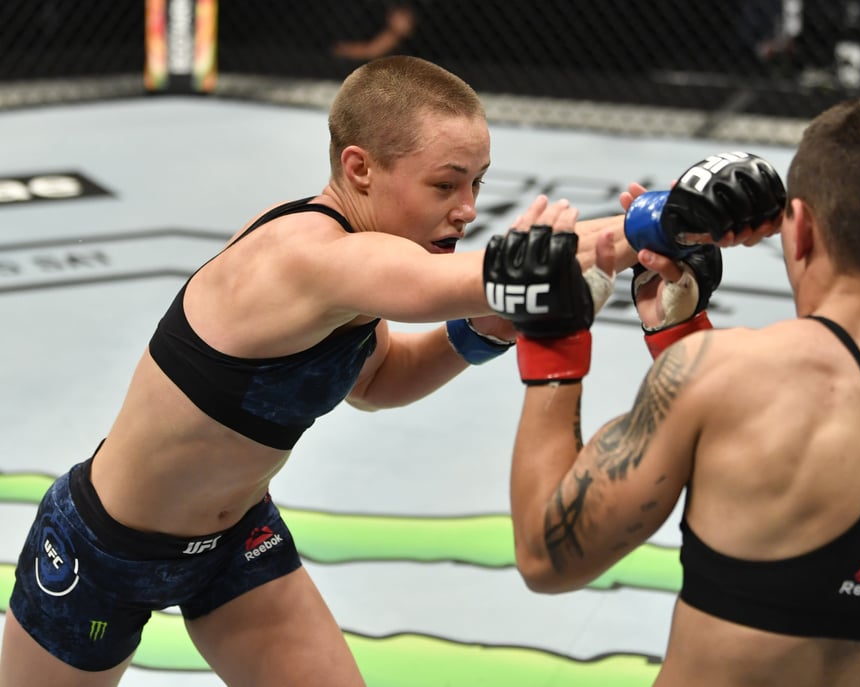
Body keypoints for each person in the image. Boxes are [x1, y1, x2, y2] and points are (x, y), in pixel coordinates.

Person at [0, 54, 652, 687]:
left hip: (234, 543)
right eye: (445, 184)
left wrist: (489, 326)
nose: (468, 209)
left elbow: (379, 379)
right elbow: (473, 277)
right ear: (360, 167)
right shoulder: (307, 257)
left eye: (477, 183)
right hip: (101, 554)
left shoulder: (356, 271)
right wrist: (657, 224)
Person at [486, 97, 860, 687]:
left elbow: (546, 555)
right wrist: (680, 331)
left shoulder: (717, 374)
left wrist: (553, 342)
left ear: (802, 229)